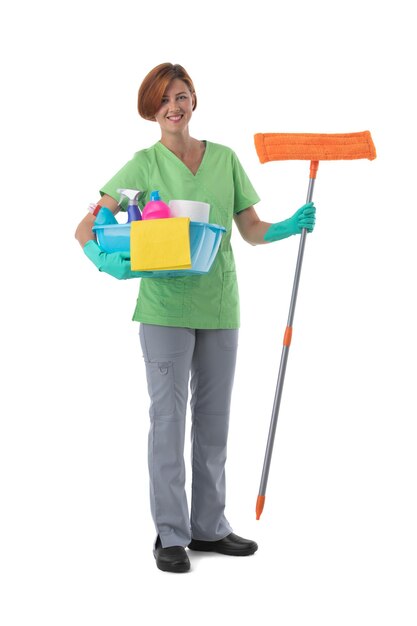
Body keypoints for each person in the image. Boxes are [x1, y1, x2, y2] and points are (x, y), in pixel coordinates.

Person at [75, 63, 316, 573]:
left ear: (193, 99)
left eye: (181, 95)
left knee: (214, 422)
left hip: (220, 307)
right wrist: (101, 254)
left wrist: (289, 226)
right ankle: (170, 534)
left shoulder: (225, 159)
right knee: (167, 421)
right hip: (164, 309)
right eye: (163, 100)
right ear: (152, 109)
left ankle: (210, 527)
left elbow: (249, 229)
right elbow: (87, 222)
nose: (173, 107)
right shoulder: (143, 164)